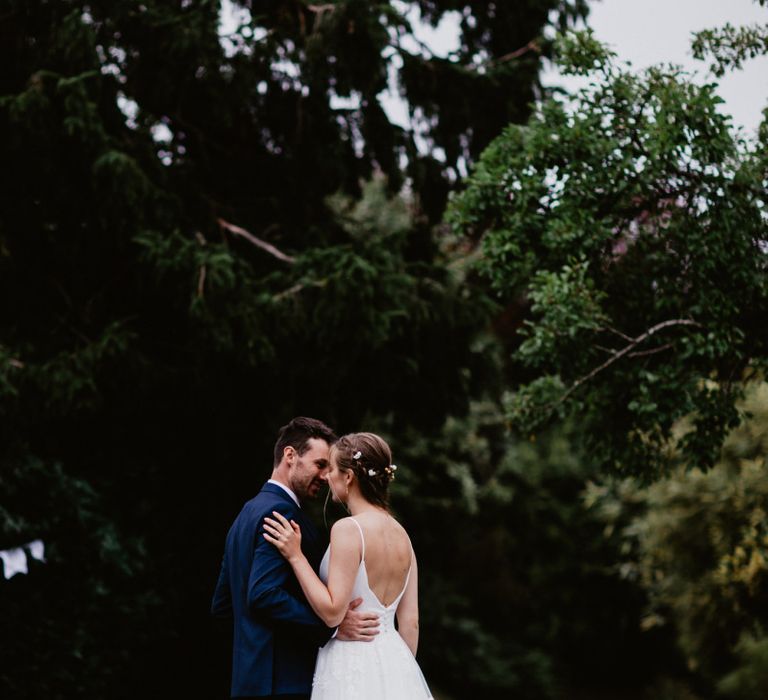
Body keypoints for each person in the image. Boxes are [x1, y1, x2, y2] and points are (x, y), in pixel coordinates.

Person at [211, 417, 380, 700]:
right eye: (320, 464)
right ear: (290, 455)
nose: (326, 476)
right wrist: (331, 626)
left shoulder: (246, 513)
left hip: (249, 681)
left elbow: (223, 604)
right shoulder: (282, 514)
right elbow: (264, 594)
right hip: (283, 682)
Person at [263, 432, 433, 700]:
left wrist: (296, 557)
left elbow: (332, 613)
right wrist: (397, 674)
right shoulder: (403, 536)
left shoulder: (348, 530)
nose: (327, 477)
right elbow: (411, 623)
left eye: (331, 469)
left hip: (350, 660)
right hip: (397, 663)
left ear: (349, 477)